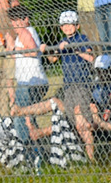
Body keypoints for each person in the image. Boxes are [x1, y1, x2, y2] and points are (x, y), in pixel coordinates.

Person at [12, 11, 96, 160]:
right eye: (64, 25)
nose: (67, 27)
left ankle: (92, 158)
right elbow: (53, 59)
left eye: (70, 24)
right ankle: (80, 155)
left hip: (82, 84)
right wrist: (45, 50)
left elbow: (91, 58)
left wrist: (74, 48)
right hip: (68, 85)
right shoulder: (63, 41)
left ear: (77, 25)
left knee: (81, 119)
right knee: (71, 120)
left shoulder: (82, 38)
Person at [6, 6, 48, 170]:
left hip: (30, 83)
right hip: (28, 82)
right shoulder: (22, 33)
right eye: (13, 20)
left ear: (26, 19)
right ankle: (38, 154)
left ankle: (33, 156)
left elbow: (32, 51)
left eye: (19, 19)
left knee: (20, 120)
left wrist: (14, 48)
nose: (16, 23)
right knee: (28, 120)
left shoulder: (25, 31)